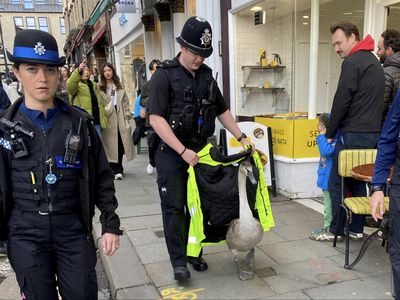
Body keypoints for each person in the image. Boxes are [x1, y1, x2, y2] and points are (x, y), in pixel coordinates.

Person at [0, 29, 122, 299]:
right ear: (17, 73)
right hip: (25, 232)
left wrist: (110, 223)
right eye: (32, 69)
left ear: (59, 74)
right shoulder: (4, 130)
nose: (42, 78)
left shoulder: (79, 123)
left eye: (50, 70)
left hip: (72, 228)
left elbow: (103, 177)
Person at [147, 16, 253, 281]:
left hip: (200, 152)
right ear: (182, 46)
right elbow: (156, 119)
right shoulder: (164, 75)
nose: (199, 59)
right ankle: (179, 261)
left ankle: (195, 251)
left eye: (203, 54)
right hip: (172, 154)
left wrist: (241, 137)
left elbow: (222, 110)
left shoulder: (206, 76)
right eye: (195, 52)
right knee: (174, 207)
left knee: (199, 207)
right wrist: (183, 151)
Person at [323, 22, 384, 242]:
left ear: (353, 37)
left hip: (353, 133)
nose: (337, 48)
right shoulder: (373, 62)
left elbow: (342, 99)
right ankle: (357, 229)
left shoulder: (353, 62)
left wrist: (330, 131)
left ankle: (336, 230)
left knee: (337, 182)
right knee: (358, 181)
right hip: (372, 133)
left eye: (339, 43)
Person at [98, 62, 135, 180]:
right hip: (108, 117)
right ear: (102, 74)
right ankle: (111, 168)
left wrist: (127, 115)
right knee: (109, 145)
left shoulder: (119, 85)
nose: (107, 73)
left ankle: (119, 169)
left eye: (109, 70)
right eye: (105, 71)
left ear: (112, 71)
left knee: (119, 143)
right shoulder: (99, 88)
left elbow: (125, 102)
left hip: (120, 116)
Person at [309, 113, 341, 241]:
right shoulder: (330, 139)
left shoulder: (334, 139)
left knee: (329, 207)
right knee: (328, 205)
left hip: (330, 180)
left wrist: (321, 136)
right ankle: (329, 226)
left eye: (320, 124)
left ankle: (328, 228)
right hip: (325, 178)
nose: (317, 127)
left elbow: (326, 152)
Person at [67, 61, 107, 137]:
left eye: (88, 70)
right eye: (84, 70)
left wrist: (103, 120)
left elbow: (99, 103)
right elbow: (70, 87)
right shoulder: (76, 85)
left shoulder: (93, 84)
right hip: (83, 123)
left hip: (96, 121)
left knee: (98, 146)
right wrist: (78, 70)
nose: (86, 72)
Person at [140, 59, 161, 175]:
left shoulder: (165, 82)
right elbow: (142, 101)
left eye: (158, 68)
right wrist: (152, 100)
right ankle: (152, 162)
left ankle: (161, 162)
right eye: (154, 68)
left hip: (164, 118)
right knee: (152, 142)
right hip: (151, 119)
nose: (156, 71)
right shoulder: (146, 85)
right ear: (151, 71)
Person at [376, 29, 400, 122]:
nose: (377, 53)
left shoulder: (386, 73)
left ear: (389, 50)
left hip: (389, 130)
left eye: (379, 48)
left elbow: (380, 109)